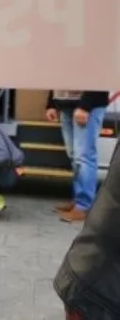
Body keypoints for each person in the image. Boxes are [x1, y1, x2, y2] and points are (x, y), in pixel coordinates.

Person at [54, 144, 120, 319]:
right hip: (99, 289)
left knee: (82, 156)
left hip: (93, 276)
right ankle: (81, 202)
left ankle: (82, 202)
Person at [45, 90, 109, 223]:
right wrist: (51, 103)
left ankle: (84, 206)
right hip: (66, 104)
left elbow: (99, 76)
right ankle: (78, 201)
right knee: (75, 157)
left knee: (84, 156)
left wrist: (86, 106)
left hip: (87, 106)